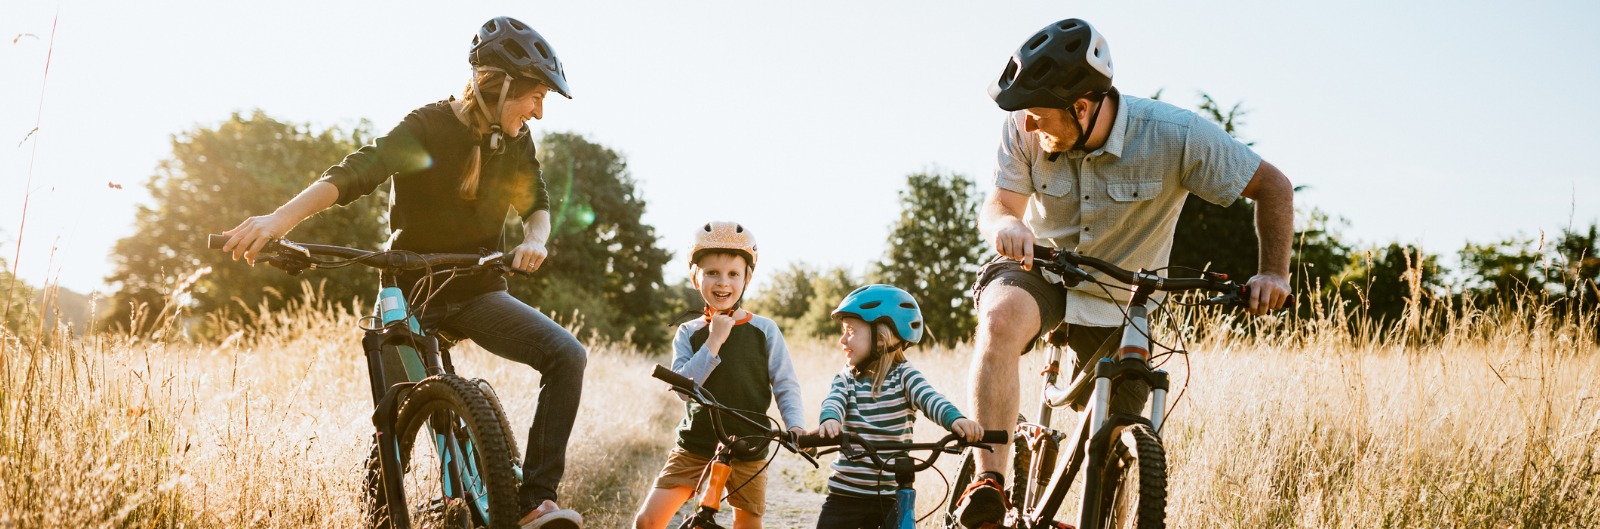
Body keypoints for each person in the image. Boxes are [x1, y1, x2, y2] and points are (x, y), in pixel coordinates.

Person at [220, 16, 588, 529]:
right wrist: (279, 220)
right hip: (407, 293)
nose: (539, 112)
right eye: (535, 97)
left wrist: (534, 239)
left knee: (567, 355)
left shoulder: (516, 140)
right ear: (499, 85)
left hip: (478, 290)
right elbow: (356, 172)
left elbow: (538, 202)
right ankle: (378, 520)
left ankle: (534, 502)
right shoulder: (427, 127)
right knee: (391, 426)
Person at [954, 18, 1295, 527]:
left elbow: (1275, 187)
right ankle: (989, 484)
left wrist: (1274, 274)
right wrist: (1006, 223)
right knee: (999, 319)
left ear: (1083, 106)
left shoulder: (1175, 135)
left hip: (1124, 296)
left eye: (1039, 114)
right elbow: (1000, 203)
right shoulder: (1024, 125)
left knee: (1120, 435)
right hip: (1042, 272)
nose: (1028, 124)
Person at [633, 222, 808, 529]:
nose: (722, 282)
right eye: (712, 272)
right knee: (647, 521)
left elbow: (785, 383)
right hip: (695, 444)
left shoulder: (764, 330)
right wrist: (713, 341)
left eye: (733, 274)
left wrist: (795, 425)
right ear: (695, 276)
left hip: (750, 445)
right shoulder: (689, 332)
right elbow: (685, 390)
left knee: (748, 526)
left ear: (747, 278)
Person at [812, 285, 983, 529]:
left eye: (850, 331)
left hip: (891, 495)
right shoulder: (846, 378)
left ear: (880, 338)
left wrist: (955, 420)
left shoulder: (904, 376)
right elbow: (834, 400)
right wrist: (830, 419)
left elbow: (930, 398)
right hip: (846, 495)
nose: (842, 339)